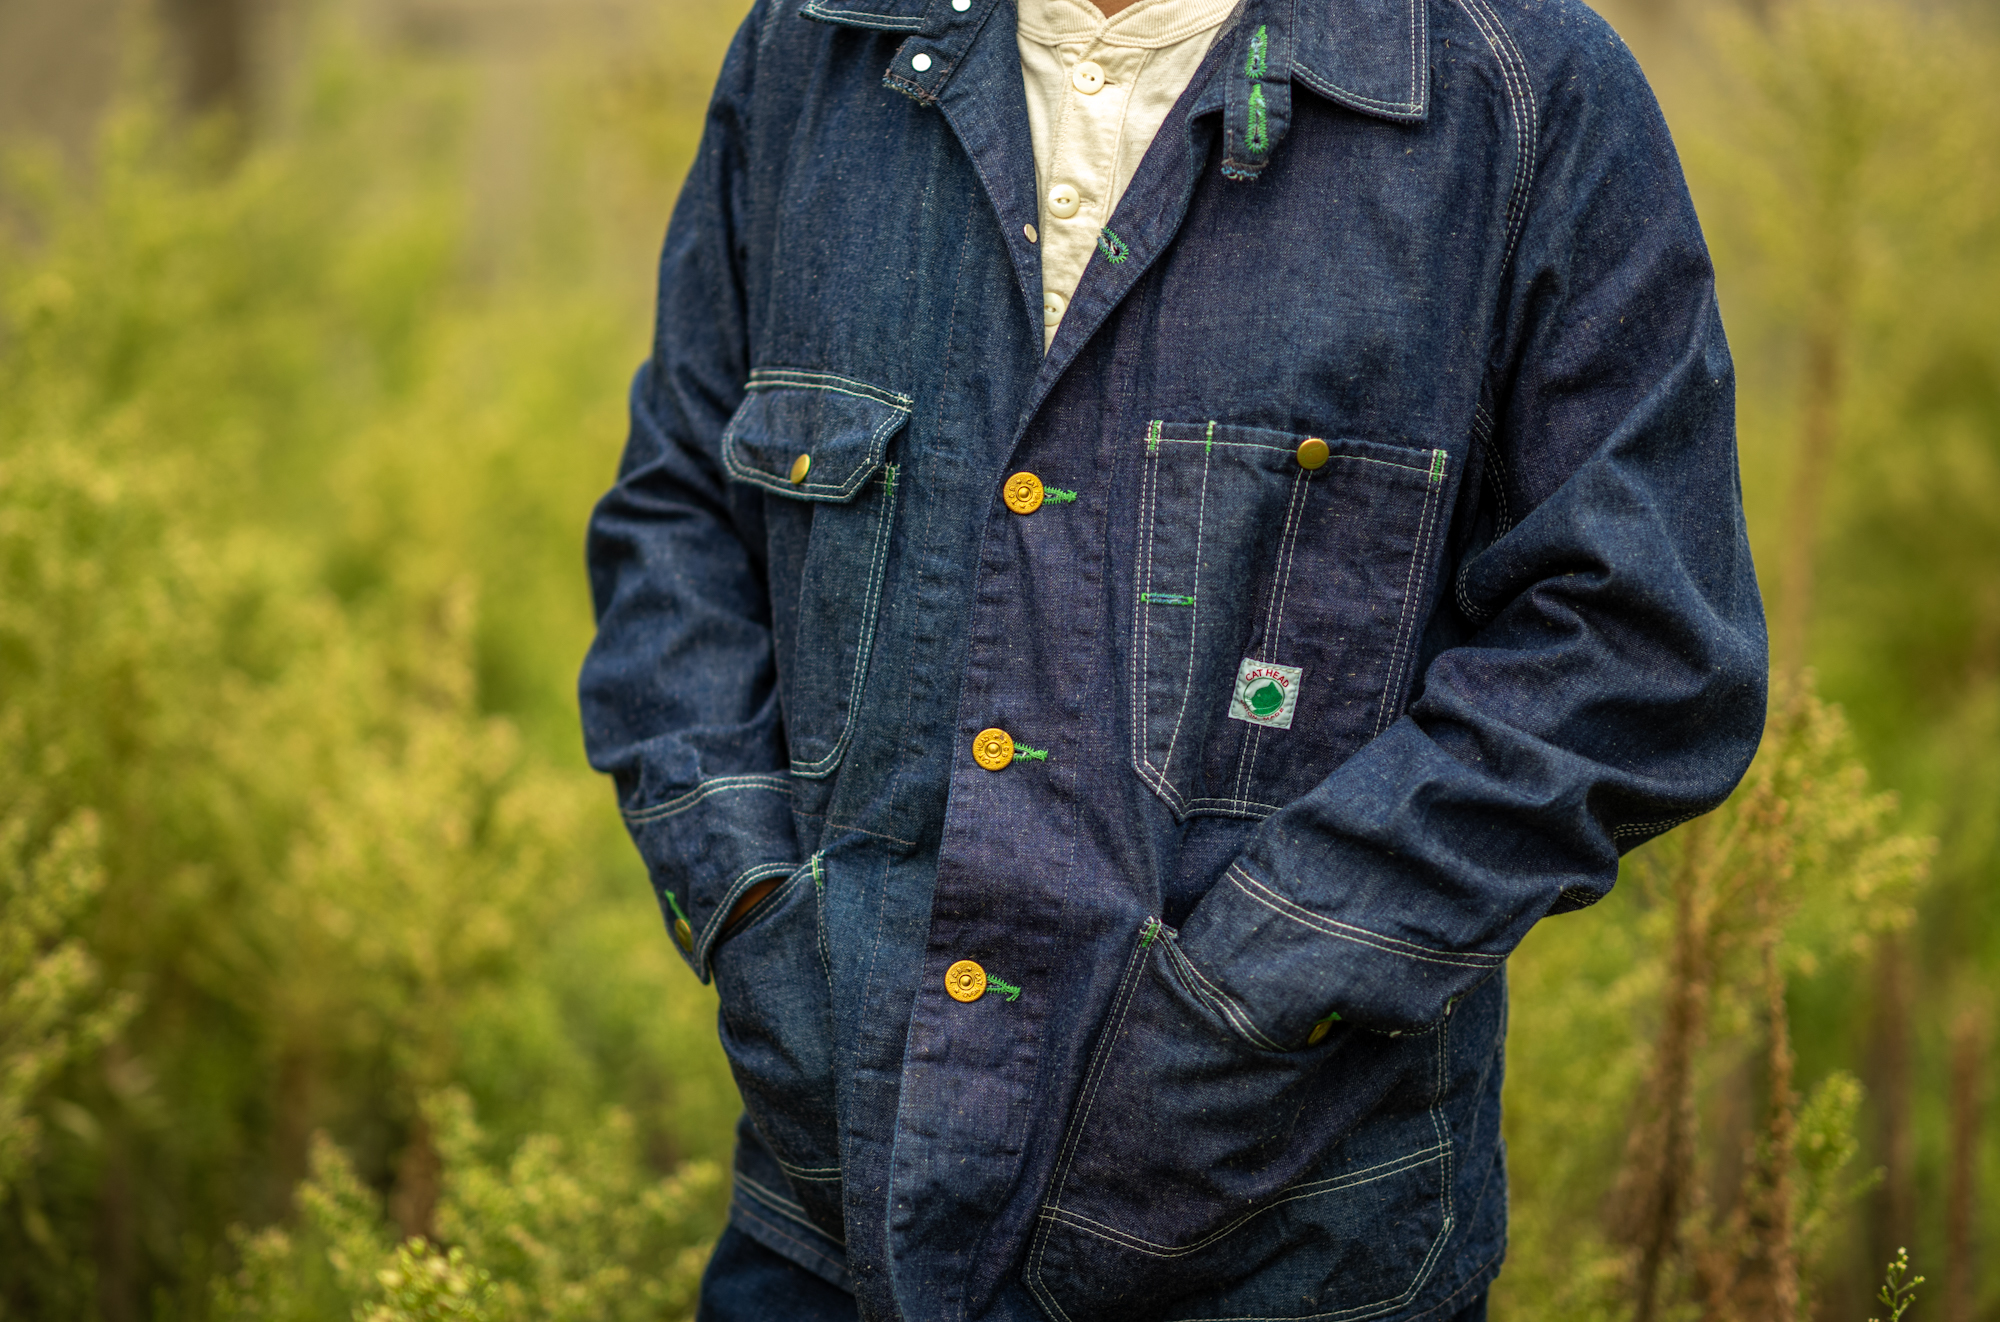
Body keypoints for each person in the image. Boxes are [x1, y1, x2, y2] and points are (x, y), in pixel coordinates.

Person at [577, 0, 1767, 1313]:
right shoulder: (812, 48)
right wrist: (751, 908)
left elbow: (1640, 650)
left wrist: (1256, 995)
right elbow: (677, 523)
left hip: (1282, 1255)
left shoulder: (1522, 95)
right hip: (824, 1232)